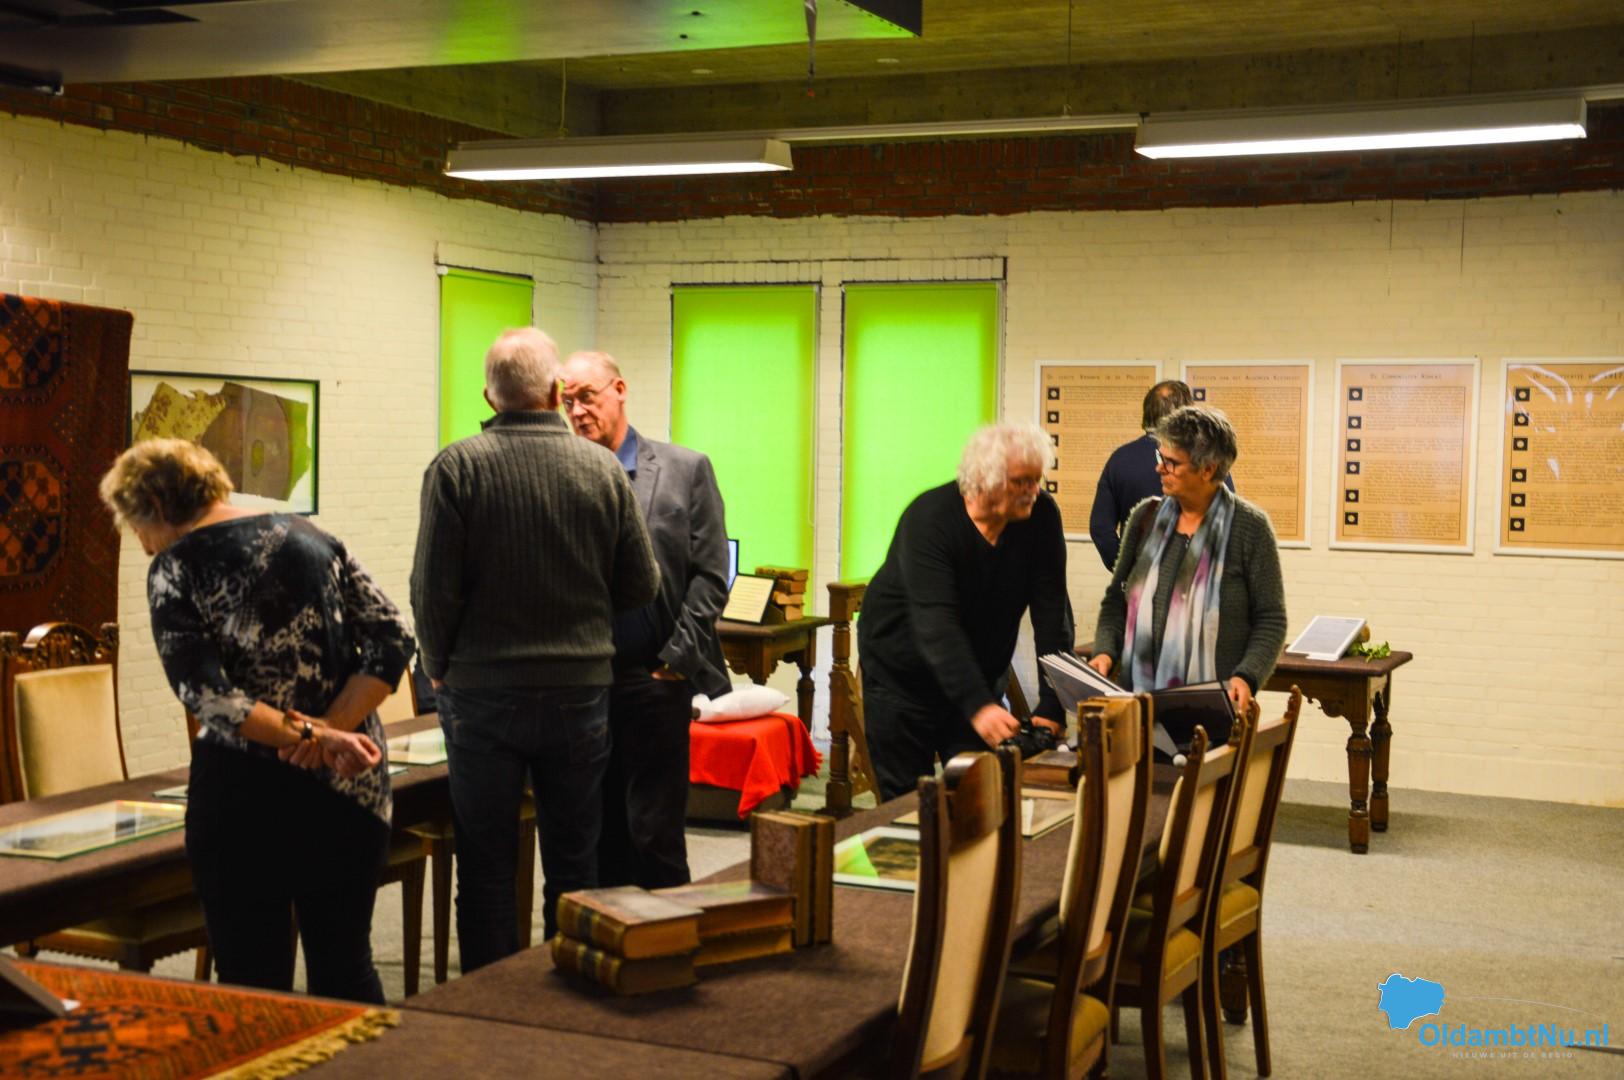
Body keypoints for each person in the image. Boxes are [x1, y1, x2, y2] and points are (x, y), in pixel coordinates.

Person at [99, 438, 412, 1004]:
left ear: (156, 504)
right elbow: (394, 638)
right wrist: (332, 729)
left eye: (137, 527)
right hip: (349, 789)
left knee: (252, 984)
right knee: (347, 969)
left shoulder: (178, 565)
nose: (143, 546)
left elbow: (208, 695)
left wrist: (315, 735)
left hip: (246, 799)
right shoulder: (314, 537)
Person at [410, 327, 659, 970]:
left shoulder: (456, 467)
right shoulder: (602, 469)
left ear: (489, 398)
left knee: (486, 868)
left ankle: (491, 1001)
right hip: (580, 693)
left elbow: (431, 592)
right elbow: (642, 584)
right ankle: (567, 991)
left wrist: (436, 667)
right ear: (554, 393)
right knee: (575, 863)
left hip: (481, 697)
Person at [559, 349, 730, 889]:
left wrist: (675, 661)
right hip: (584, 682)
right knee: (597, 834)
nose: (577, 411)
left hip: (655, 678)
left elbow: (710, 575)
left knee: (655, 834)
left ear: (620, 389)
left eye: (587, 396)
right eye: (567, 402)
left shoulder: (685, 470)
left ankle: (668, 934)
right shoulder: (562, 474)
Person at [858, 423, 1074, 801]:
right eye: (1021, 482)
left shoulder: (1041, 517)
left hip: (978, 674)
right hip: (902, 680)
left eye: (1036, 480)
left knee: (980, 799)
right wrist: (979, 707)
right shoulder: (929, 519)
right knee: (907, 805)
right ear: (982, 480)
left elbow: (1052, 613)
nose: (1033, 491)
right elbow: (936, 626)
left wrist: (1052, 702)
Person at [1088, 405, 1287, 720]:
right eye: (1161, 457)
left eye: (1172, 462)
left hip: (1214, 716)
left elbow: (1271, 619)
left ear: (1207, 469)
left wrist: (1246, 676)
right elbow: (1116, 601)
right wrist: (1104, 651)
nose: (1159, 468)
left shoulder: (1250, 528)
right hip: (1136, 709)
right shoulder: (1145, 517)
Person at [1090, 380, 1233, 571]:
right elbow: (1228, 520)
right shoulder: (1207, 459)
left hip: (1138, 581)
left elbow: (1101, 528)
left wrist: (1126, 570)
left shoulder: (1119, 459)